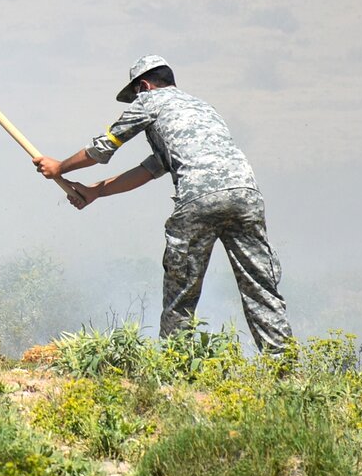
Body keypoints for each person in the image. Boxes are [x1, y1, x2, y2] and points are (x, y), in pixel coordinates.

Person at [33, 55, 293, 353]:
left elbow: (104, 147)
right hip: (246, 197)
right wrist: (94, 191)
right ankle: (284, 366)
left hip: (198, 199)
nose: (135, 101)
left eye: (136, 95)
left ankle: (176, 366)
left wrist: (60, 168)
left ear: (144, 86)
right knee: (260, 285)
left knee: (181, 290)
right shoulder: (203, 108)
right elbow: (150, 168)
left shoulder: (149, 103)